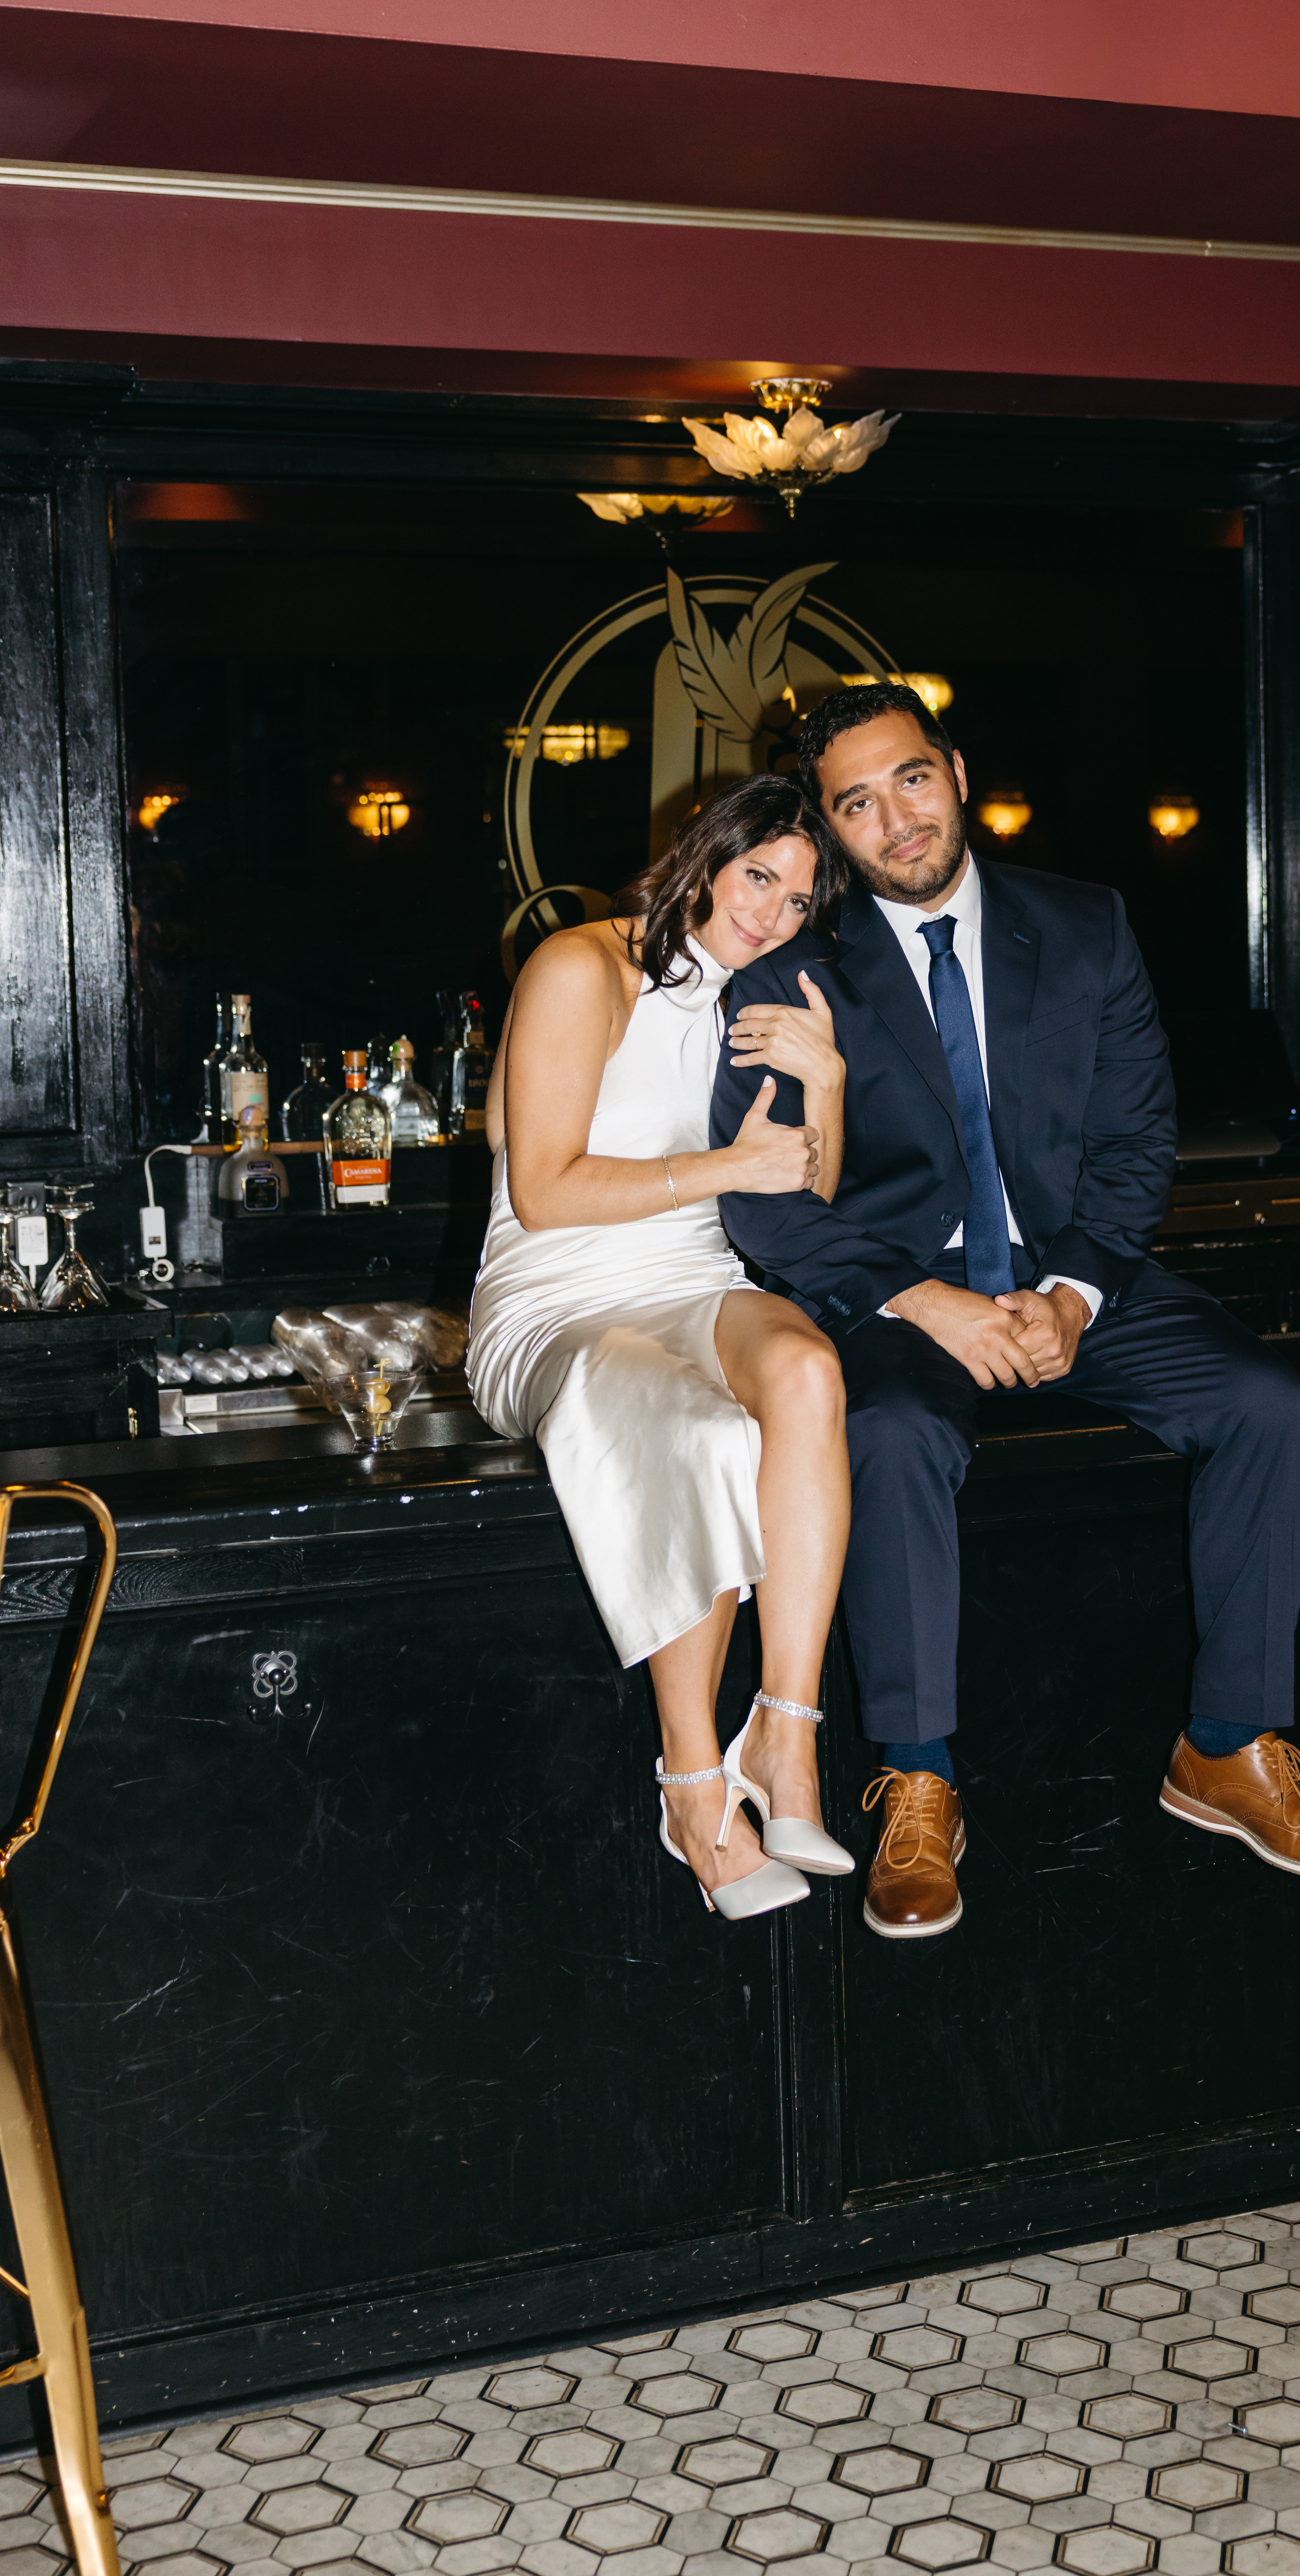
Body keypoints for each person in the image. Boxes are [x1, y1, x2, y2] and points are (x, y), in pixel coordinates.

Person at [709, 685, 1300, 1941]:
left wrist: (1071, 1297)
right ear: (830, 828)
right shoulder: (793, 969)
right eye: (855, 804)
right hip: (898, 1298)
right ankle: (919, 1778)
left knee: (1264, 1402)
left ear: (957, 770)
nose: (895, 821)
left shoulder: (1083, 927)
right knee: (893, 1436)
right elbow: (770, 1212)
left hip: (1075, 1274)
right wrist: (935, 1305)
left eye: (911, 780)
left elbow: (1137, 1144)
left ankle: (1230, 1747)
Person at [466, 775, 857, 1924]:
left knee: (807, 1370)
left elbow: (809, 1196)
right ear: (709, 852)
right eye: (760, 878)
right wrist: (728, 1168)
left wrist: (826, 1084)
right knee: (693, 1424)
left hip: (693, 1279)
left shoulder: (760, 999)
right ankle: (691, 1783)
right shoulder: (581, 967)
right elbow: (541, 1192)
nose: (774, 915)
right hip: (556, 1299)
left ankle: (786, 1734)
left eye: (800, 900)